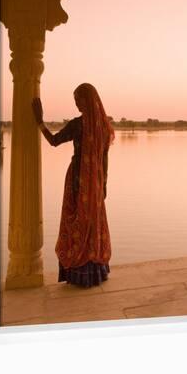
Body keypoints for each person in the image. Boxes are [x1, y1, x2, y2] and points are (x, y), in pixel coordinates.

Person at [32, 83, 115, 287]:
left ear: (87, 100)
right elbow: (104, 159)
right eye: (75, 100)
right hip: (95, 181)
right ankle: (95, 272)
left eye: (78, 100)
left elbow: (54, 140)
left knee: (77, 222)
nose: (76, 104)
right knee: (91, 224)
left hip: (79, 179)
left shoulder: (78, 125)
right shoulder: (103, 126)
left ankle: (79, 272)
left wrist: (39, 122)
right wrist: (103, 183)